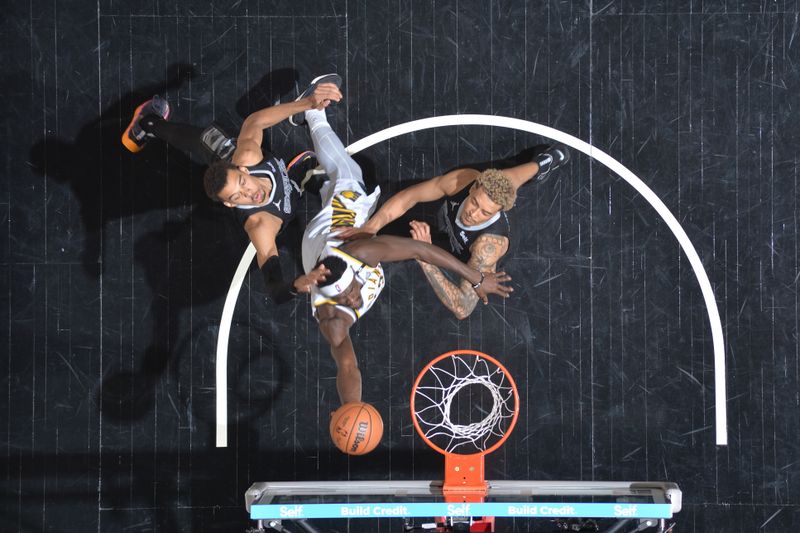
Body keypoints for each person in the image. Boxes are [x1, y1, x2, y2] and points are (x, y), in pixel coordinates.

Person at [288, 78, 513, 405]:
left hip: (339, 224)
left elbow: (423, 249)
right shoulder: (332, 320)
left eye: (351, 290)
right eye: (350, 296)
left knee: (350, 174)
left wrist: (477, 278)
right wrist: (352, 410)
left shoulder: (360, 252)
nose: (354, 297)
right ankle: (310, 174)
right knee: (331, 189)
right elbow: (348, 366)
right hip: (315, 246)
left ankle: (312, 111)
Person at [121, 74, 344, 302]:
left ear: (244, 171)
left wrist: (307, 103)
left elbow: (255, 121)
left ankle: (150, 122)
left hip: (227, 154)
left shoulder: (248, 156)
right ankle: (149, 123)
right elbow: (274, 287)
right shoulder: (260, 225)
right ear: (230, 203)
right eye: (238, 196)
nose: (249, 193)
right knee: (293, 201)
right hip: (281, 203)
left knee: (209, 142)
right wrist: (295, 285)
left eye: (243, 183)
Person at [335, 146, 570, 320]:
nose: (473, 214)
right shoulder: (463, 181)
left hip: (460, 249)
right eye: (474, 203)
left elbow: (463, 308)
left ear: (497, 212)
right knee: (508, 174)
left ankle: (542, 165)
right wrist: (370, 228)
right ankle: (542, 163)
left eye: (484, 213)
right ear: (474, 187)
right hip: (456, 214)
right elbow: (410, 197)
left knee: (512, 181)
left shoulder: (489, 245)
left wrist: (425, 256)